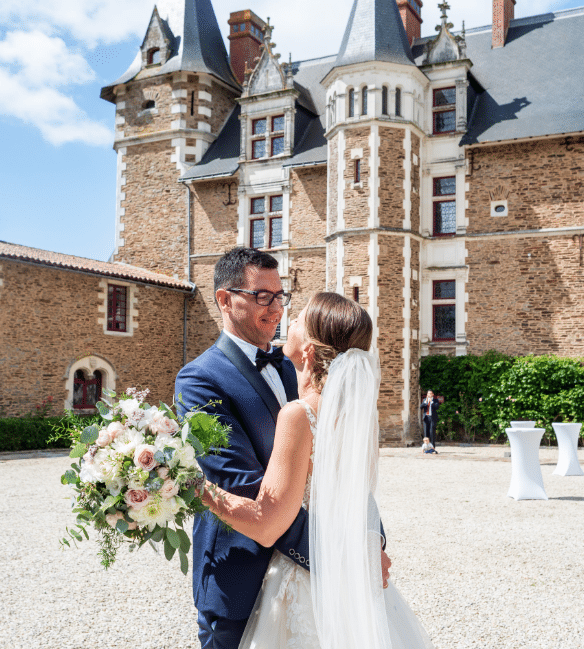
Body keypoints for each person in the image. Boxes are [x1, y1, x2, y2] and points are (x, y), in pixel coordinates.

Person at [175, 249, 390, 649]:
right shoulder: (199, 380)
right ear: (224, 299)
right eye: (262, 296)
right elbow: (245, 488)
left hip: (316, 580)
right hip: (242, 578)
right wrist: (344, 557)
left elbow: (352, 482)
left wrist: (371, 541)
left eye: (281, 296)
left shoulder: (304, 374)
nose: (276, 309)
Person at [202, 292, 435, 649]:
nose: (286, 320)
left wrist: (191, 485)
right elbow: (361, 497)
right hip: (348, 580)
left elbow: (267, 523)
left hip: (306, 585)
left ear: (308, 351)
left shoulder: (300, 415)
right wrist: (367, 547)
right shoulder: (359, 416)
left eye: (297, 320)